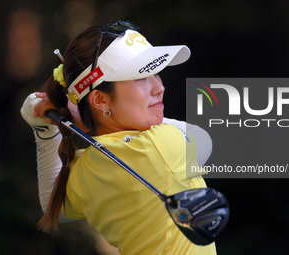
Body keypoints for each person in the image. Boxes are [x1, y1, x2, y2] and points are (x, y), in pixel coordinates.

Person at [21, 20, 215, 255]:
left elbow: (54, 204)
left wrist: (46, 132)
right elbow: (205, 138)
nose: (159, 87)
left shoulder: (85, 169)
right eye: (141, 77)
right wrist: (79, 116)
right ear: (100, 100)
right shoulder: (161, 144)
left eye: (155, 73)